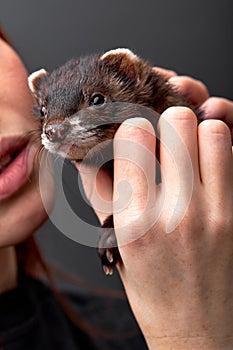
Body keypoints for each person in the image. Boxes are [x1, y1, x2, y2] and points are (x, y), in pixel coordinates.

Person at [1, 29, 233, 350]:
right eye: (44, 113)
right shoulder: (160, 321)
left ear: (131, 76)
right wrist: (191, 337)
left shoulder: (117, 329)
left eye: (97, 101)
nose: (53, 128)